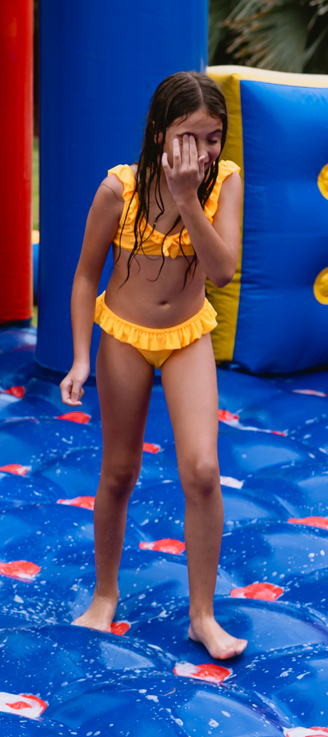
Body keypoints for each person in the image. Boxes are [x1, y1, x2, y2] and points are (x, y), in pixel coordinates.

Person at [60, 72, 245, 660]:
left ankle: (202, 616)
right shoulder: (120, 190)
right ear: (159, 132)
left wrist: (190, 197)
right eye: (189, 136)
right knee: (119, 471)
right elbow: (87, 274)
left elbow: (222, 272)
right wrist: (82, 356)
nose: (203, 151)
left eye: (213, 137)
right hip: (123, 334)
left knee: (202, 471)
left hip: (188, 334)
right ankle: (105, 595)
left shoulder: (225, 184)